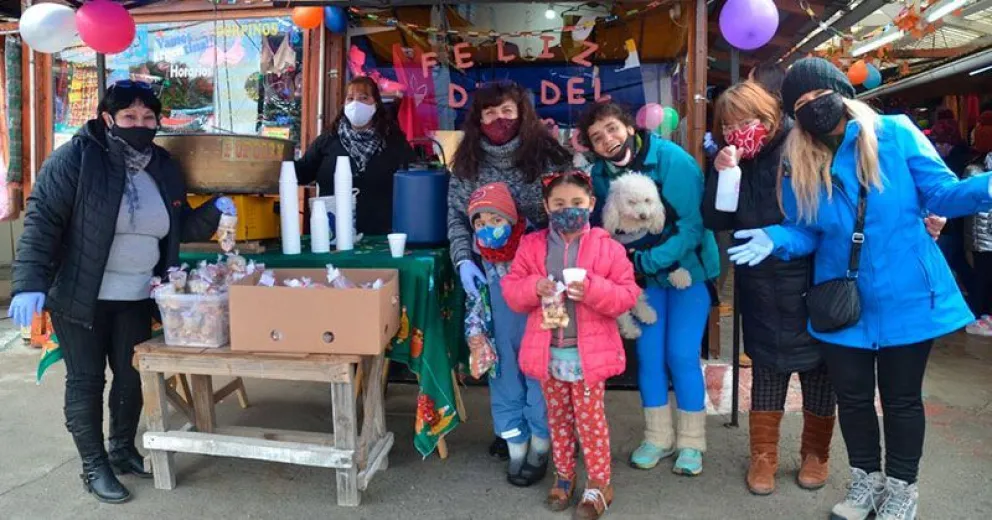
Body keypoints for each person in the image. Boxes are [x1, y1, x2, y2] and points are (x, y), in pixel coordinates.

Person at [728, 58, 992, 520]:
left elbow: (942, 195)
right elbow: (807, 230)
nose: (813, 107)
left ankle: (902, 490)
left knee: (901, 399)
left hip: (907, 294)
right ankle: (865, 483)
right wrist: (776, 238)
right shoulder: (799, 157)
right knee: (852, 399)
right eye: (800, 103)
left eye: (818, 95)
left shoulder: (896, 133)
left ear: (841, 93)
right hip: (842, 301)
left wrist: (986, 186)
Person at [8, 80, 232, 504]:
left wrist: (213, 210)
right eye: (129, 116)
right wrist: (29, 283)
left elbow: (177, 227)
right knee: (87, 380)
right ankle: (94, 466)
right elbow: (43, 221)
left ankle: (122, 449)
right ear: (107, 118)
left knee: (131, 376)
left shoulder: (162, 165)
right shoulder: (75, 159)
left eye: (148, 117)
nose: (139, 124)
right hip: (81, 295)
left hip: (138, 294)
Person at [702, 81, 835, 495]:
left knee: (818, 370)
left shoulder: (801, 147)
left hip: (810, 278)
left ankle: (816, 454)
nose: (736, 131)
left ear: (768, 115)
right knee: (766, 366)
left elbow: (821, 219)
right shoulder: (734, 158)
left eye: (744, 121)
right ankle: (763, 456)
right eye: (728, 125)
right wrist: (719, 173)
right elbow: (716, 220)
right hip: (758, 281)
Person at [579, 102, 720, 476]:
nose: (607, 140)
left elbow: (693, 226)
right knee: (649, 354)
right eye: (597, 137)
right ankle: (657, 437)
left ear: (628, 127)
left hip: (688, 270)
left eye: (612, 128)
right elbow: (604, 227)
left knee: (682, 354)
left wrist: (645, 262)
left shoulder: (673, 160)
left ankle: (692, 442)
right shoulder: (600, 176)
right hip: (642, 280)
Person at [446, 81, 571, 486]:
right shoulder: (467, 162)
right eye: (489, 112)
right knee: (502, 359)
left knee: (540, 361)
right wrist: (464, 260)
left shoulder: (549, 155)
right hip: (492, 279)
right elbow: (456, 218)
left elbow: (566, 210)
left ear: (522, 112)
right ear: (477, 118)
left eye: (506, 110)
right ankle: (512, 430)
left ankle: (543, 435)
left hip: (541, 279)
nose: (498, 119)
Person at [501, 171, 640, 520]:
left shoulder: (608, 247)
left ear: (591, 204)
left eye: (577, 203)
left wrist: (592, 290)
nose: (569, 210)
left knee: (591, 422)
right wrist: (533, 287)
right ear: (547, 207)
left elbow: (627, 295)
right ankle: (564, 475)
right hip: (548, 353)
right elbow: (512, 291)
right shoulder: (532, 246)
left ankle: (599, 483)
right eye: (560, 203)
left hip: (588, 357)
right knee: (558, 419)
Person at [295, 76, 412, 235]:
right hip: (333, 236)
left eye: (364, 98)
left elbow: (412, 181)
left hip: (380, 236)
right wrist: (275, 163)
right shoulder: (327, 140)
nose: (356, 104)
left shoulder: (394, 141)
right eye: (350, 98)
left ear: (376, 104)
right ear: (344, 104)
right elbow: (302, 172)